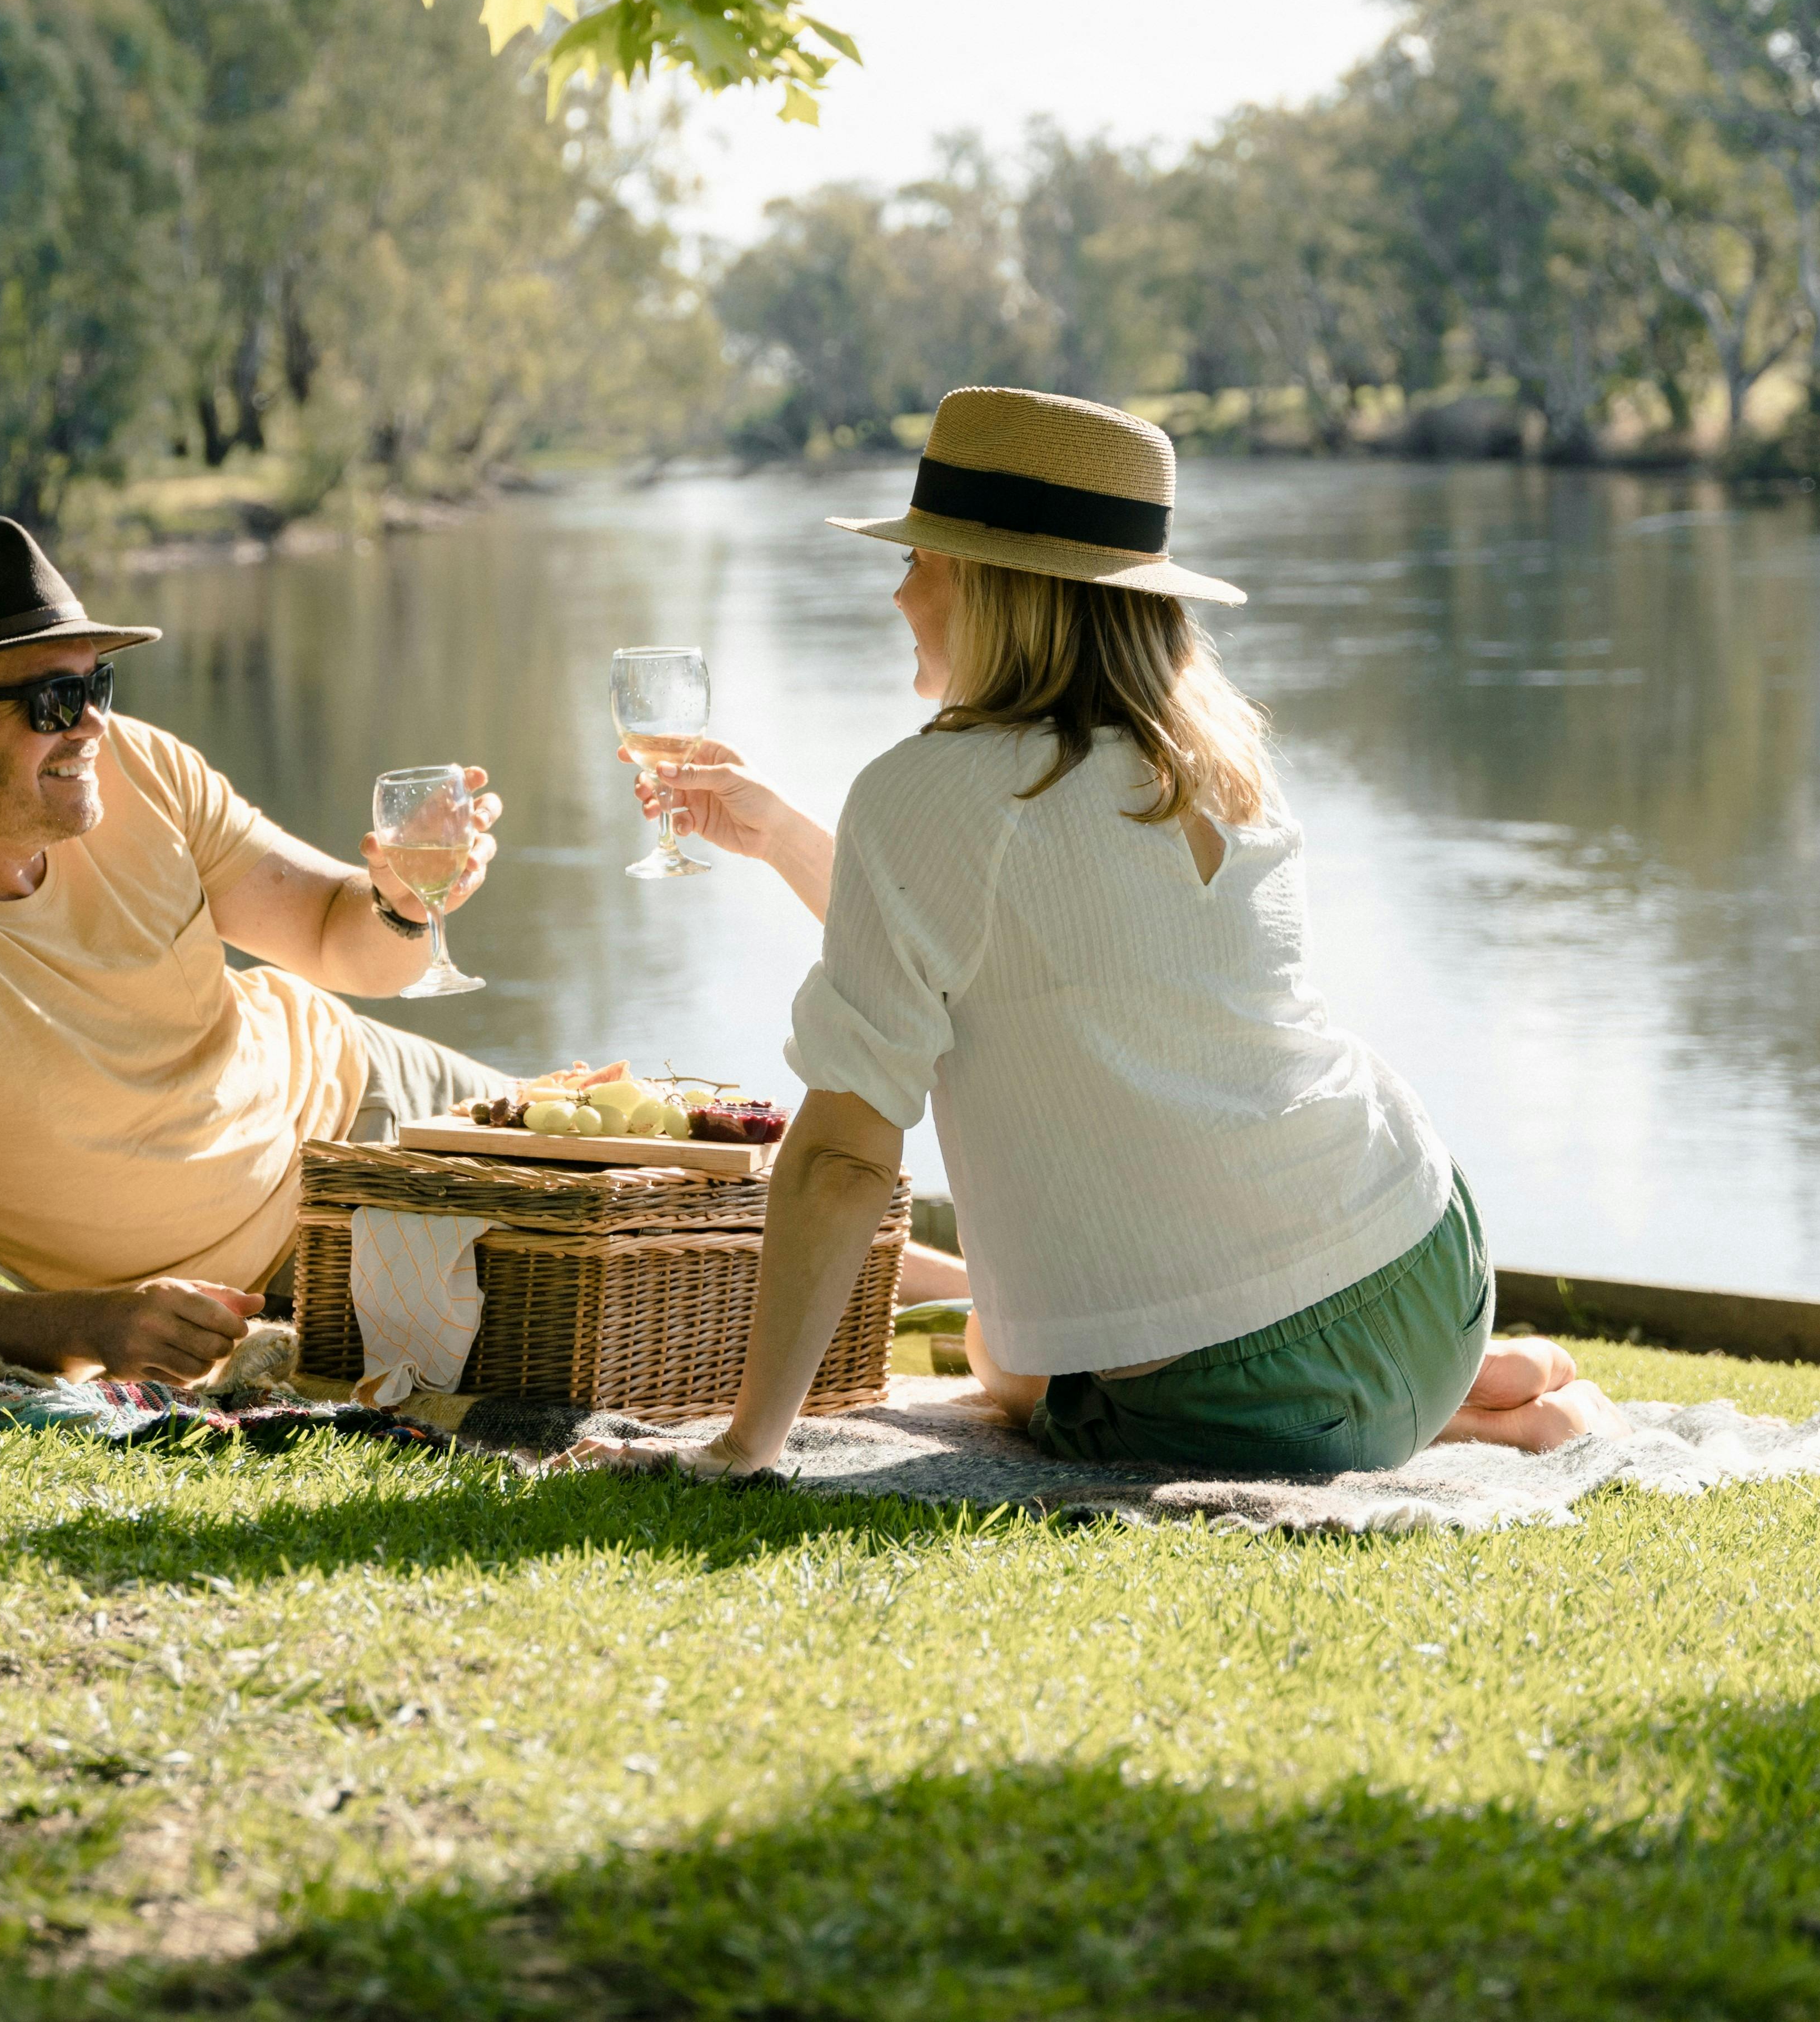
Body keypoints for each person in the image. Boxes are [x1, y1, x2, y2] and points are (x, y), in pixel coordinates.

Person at [627, 386, 1610, 1478]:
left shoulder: (930, 793)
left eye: (921, 559)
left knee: (1003, 1353)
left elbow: (842, 1157)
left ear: (996, 587)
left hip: (1244, 1385)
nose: (900, 589)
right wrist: (782, 836)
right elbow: (1006, 959)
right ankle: (1446, 1390)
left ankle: (1437, 1412)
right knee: (1061, 1331)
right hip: (1422, 1247)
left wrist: (742, 1446)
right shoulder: (1223, 763)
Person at [0, 517, 508, 1385]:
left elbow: (333, 940)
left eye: (97, 685)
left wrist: (399, 902)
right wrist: (98, 1324)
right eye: (50, 699)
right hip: (292, 1267)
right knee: (632, 1291)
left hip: (367, 1077)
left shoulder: (137, 769)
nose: (90, 725)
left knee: (664, 1168)